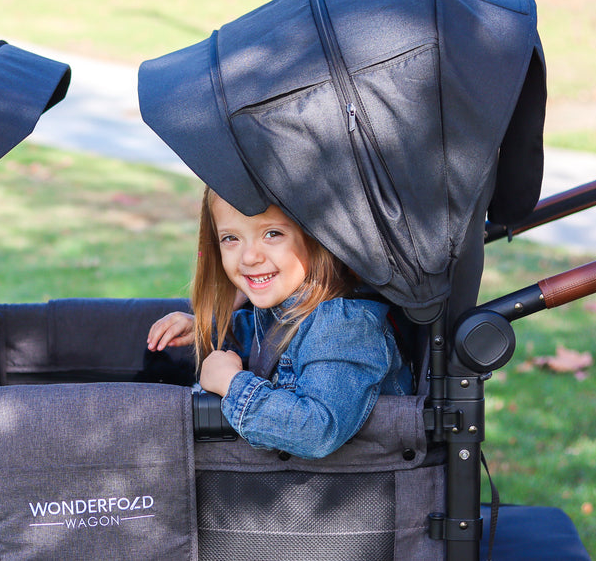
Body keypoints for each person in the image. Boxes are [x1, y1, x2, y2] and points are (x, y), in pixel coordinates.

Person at [147, 187, 411, 459]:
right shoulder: (286, 305)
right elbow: (267, 343)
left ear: (318, 238)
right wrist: (208, 328)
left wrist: (231, 384)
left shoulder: (344, 325)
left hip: (347, 489)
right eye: (230, 238)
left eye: (272, 234)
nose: (249, 257)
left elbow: (316, 432)